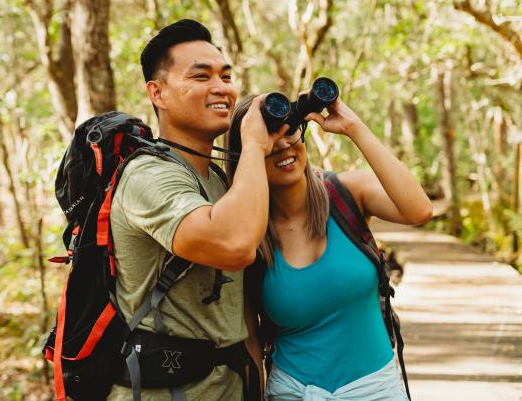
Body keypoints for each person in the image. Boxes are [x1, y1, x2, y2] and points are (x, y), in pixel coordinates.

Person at [107, 20, 287, 401]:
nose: (222, 88)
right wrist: (253, 146)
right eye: (201, 77)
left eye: (226, 75)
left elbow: (238, 317)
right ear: (158, 93)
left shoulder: (221, 181)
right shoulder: (147, 175)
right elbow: (236, 246)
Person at [226, 93, 433, 400]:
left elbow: (419, 210)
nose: (283, 143)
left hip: (376, 390)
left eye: (290, 130)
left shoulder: (347, 193)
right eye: (269, 137)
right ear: (247, 154)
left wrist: (355, 128)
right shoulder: (248, 237)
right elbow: (250, 341)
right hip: (294, 392)